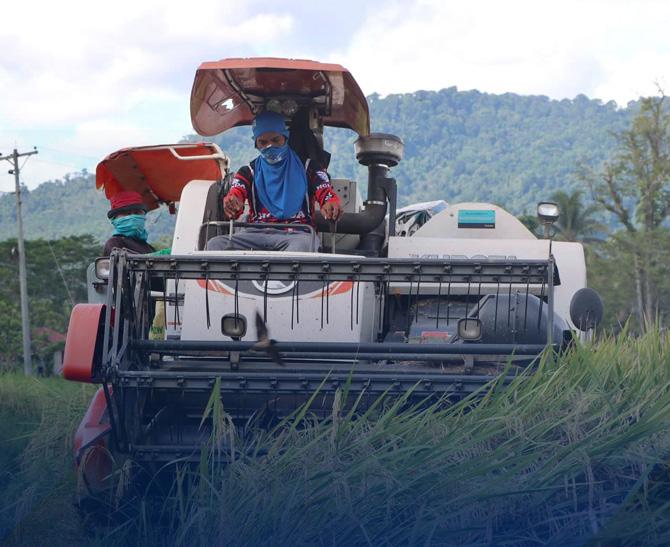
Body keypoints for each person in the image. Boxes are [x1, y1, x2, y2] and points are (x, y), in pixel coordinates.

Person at [206, 111, 341, 252]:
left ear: (285, 137)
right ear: (256, 144)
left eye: (275, 140)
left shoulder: (310, 167)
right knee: (215, 245)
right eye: (263, 142)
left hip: (298, 233)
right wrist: (233, 203)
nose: (270, 146)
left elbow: (325, 191)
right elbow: (237, 192)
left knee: (301, 248)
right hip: (255, 233)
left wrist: (330, 203)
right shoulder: (248, 171)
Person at [102, 190, 156, 256]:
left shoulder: (149, 248)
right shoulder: (114, 243)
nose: (133, 217)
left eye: (137, 212)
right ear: (114, 219)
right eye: (126, 213)